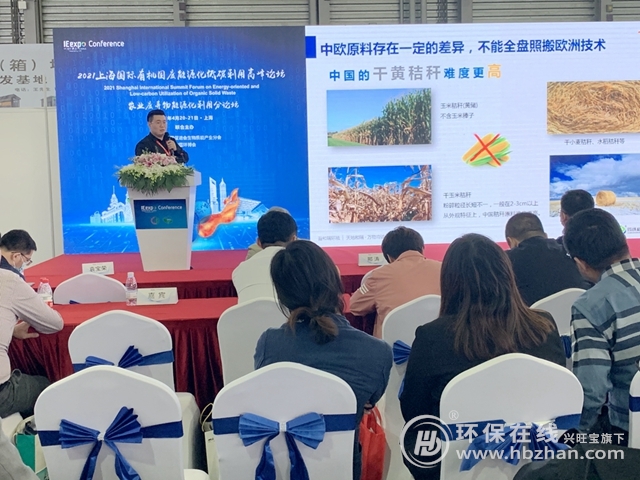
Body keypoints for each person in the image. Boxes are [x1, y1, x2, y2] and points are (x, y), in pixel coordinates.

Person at [400, 234, 565, 480]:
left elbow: (415, 412)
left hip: (456, 463)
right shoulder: (544, 326)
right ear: (507, 275)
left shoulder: (433, 337)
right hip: (537, 458)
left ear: (450, 282)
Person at [254, 240, 392, 480]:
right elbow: (368, 403)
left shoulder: (270, 345)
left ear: (282, 294)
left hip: (285, 468)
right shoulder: (376, 352)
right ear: (334, 280)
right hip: (345, 469)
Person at [564, 208, 640, 444]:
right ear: (624, 241)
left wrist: (573, 438)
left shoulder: (591, 306)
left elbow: (592, 391)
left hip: (630, 431)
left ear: (580, 263)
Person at [0, 230, 63, 418]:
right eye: (26, 261)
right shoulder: (9, 279)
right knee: (47, 386)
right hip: (2, 393)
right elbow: (55, 324)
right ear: (16, 256)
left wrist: (10, 330)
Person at [350, 227, 441, 338]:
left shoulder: (378, 275)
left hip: (393, 345)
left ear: (388, 256)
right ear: (422, 248)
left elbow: (355, 306)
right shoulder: (443, 269)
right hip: (438, 341)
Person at [505, 212, 591, 306]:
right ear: (545, 235)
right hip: (579, 311)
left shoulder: (506, 261)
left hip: (532, 314)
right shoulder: (570, 251)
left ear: (511, 241)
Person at [232, 210, 297, 303]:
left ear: (258, 242)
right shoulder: (303, 266)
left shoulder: (239, 271)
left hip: (250, 313)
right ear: (294, 239)